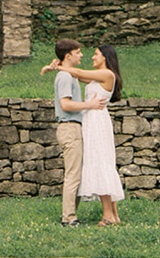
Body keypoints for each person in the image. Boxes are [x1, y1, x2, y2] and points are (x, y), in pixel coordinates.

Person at [47, 44, 126, 226]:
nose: (92, 57)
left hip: (97, 121)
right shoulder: (97, 77)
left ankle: (108, 215)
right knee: (102, 163)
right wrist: (60, 64)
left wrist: (55, 66)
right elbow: (76, 74)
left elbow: (78, 72)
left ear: (105, 57)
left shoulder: (107, 74)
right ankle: (113, 215)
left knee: (100, 164)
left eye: (96, 54)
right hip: (91, 120)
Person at [51, 39, 86, 227]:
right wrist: (89, 105)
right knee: (73, 175)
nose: (81, 55)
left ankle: (71, 214)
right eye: (78, 52)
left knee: (76, 174)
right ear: (68, 56)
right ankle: (69, 218)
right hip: (69, 127)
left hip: (74, 127)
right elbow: (66, 104)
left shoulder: (68, 75)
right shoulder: (65, 78)